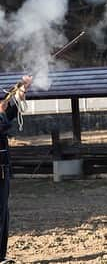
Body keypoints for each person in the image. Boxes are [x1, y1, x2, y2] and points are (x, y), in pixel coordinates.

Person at [0, 75, 32, 264]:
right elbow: (3, 124)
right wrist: (2, 112)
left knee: (3, 213)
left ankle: (1, 255)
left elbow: (10, 114)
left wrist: (21, 91)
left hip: (3, 168)